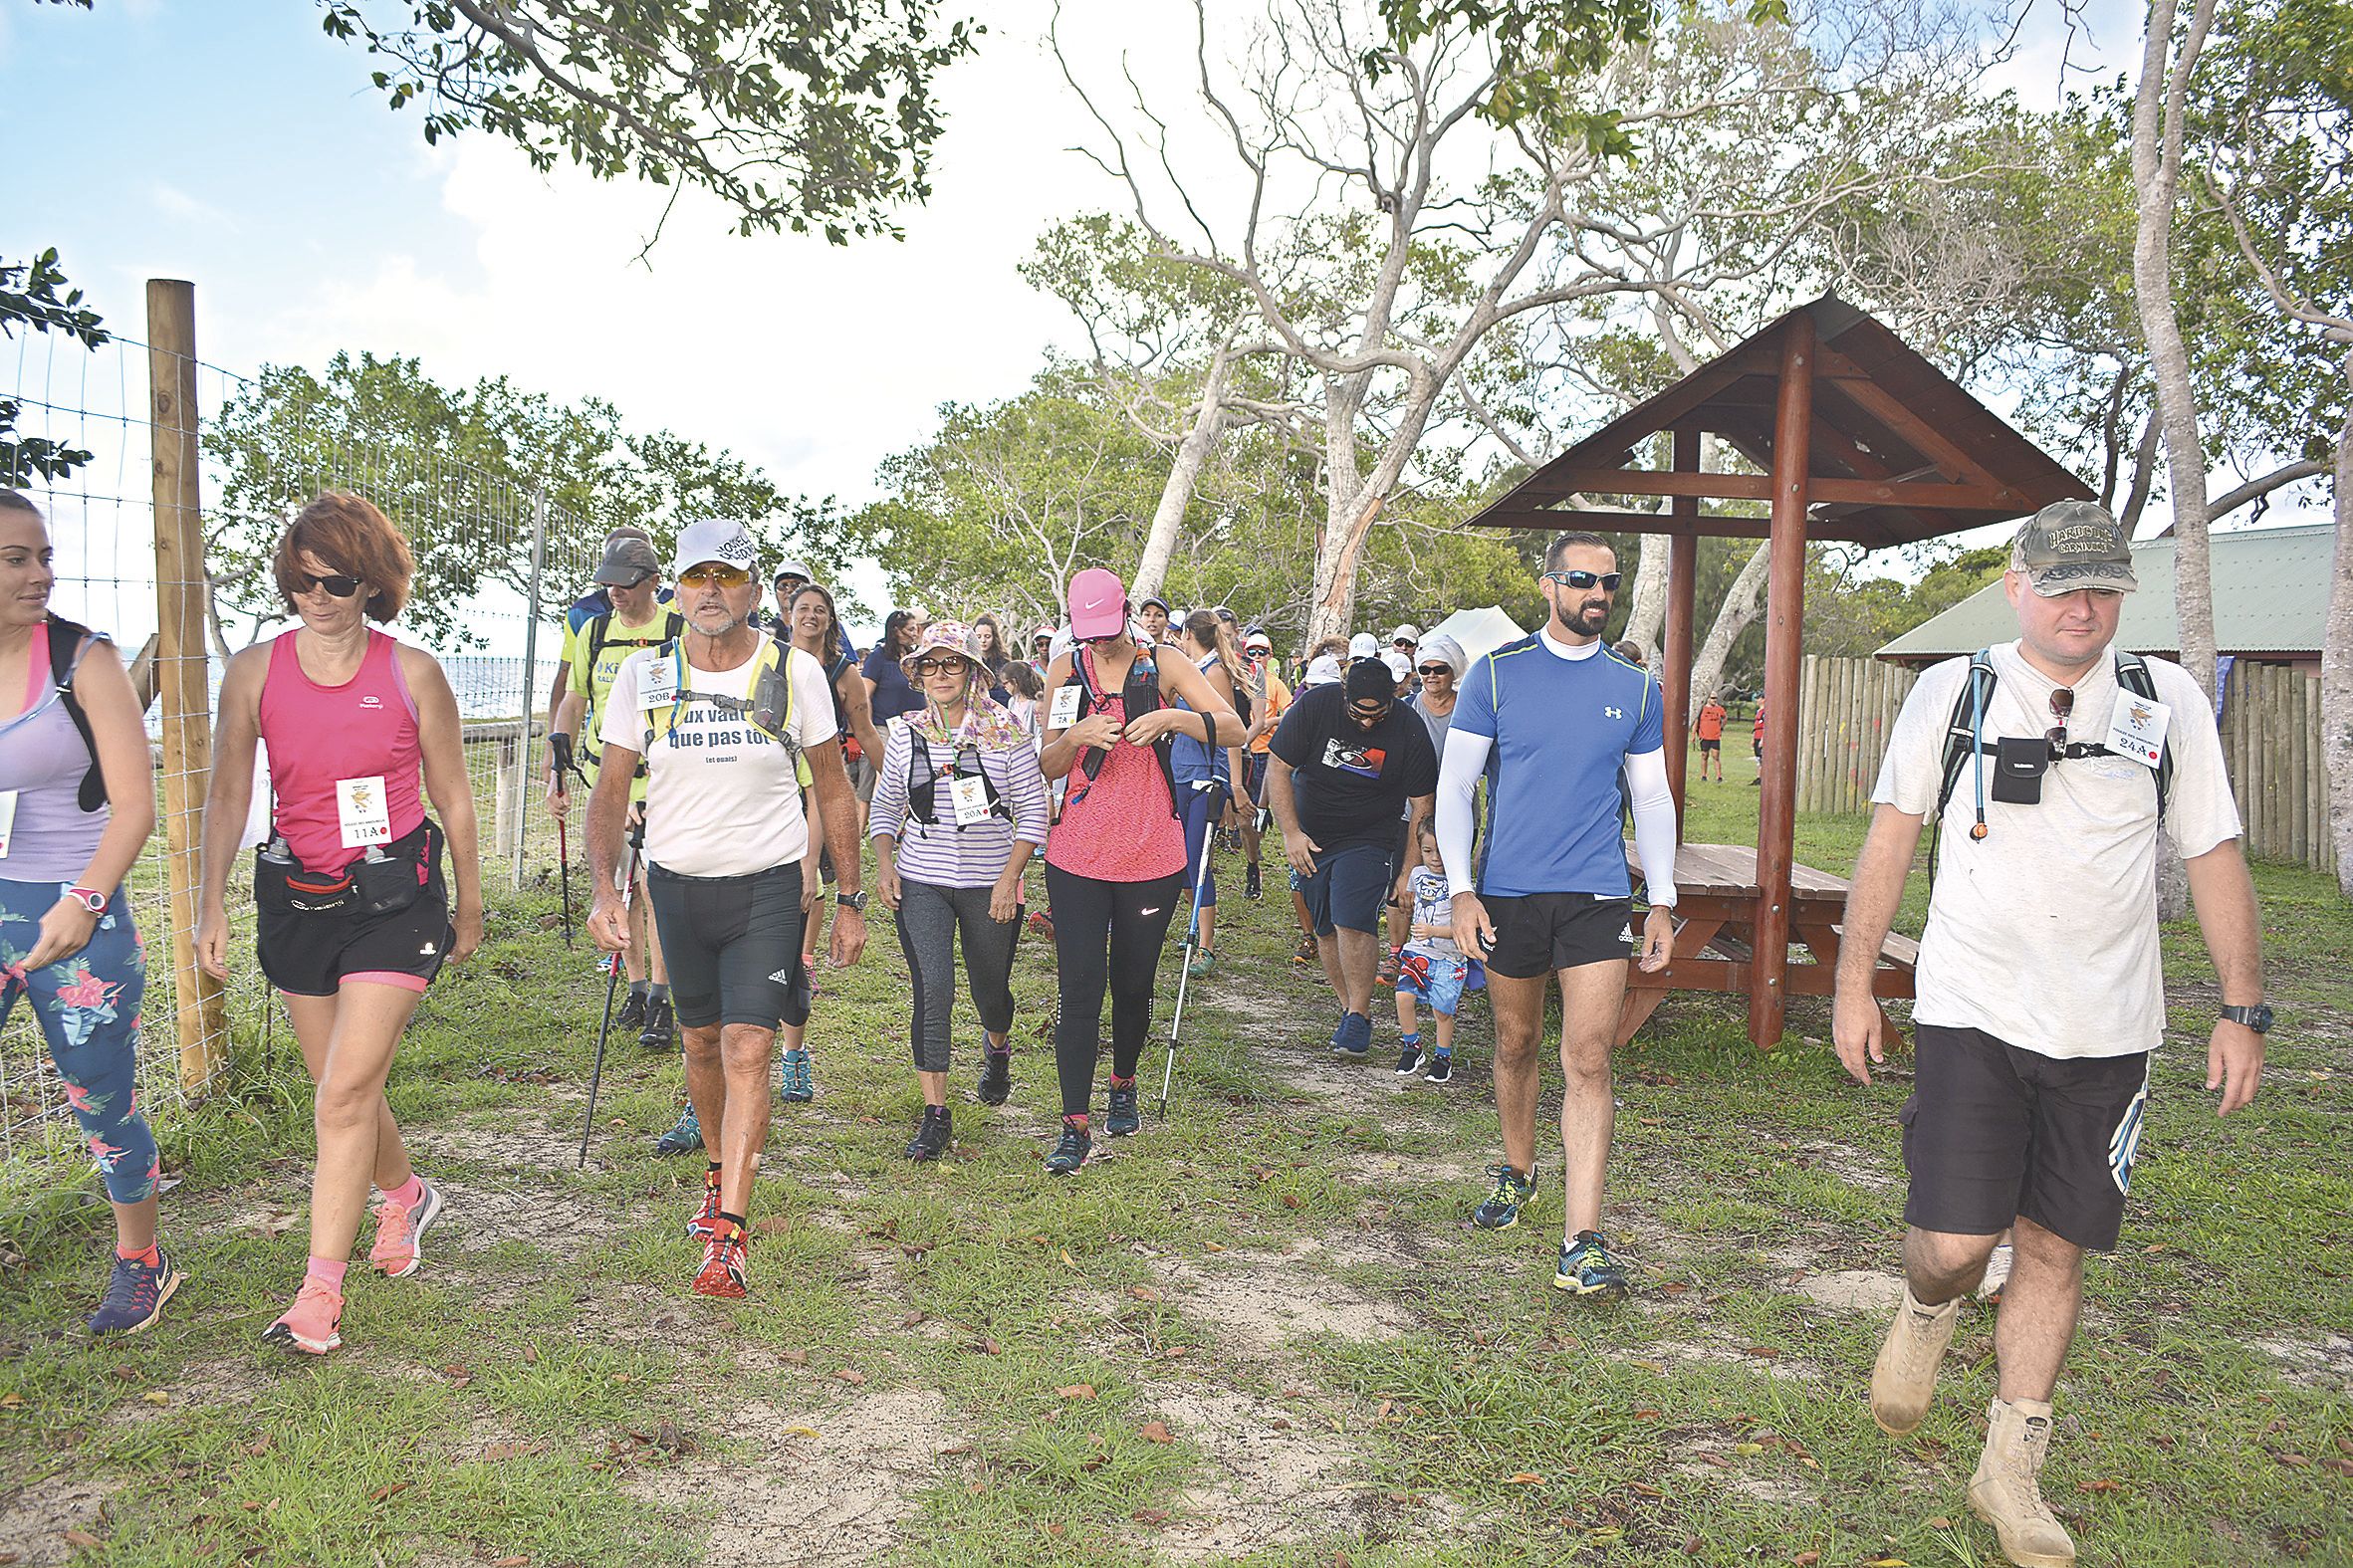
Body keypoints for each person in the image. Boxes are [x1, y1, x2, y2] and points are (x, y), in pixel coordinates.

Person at [1830, 502, 2260, 1568]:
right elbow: (1890, 839)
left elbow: (2210, 853)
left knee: (2054, 1247)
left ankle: (2009, 1469)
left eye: (2102, 587)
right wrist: (1852, 982)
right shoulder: (1953, 691)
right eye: (2062, 585)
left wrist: (2239, 1006)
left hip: (2108, 1031)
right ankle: (1926, 1305)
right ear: (2015, 586)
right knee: (1954, 1245)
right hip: (1971, 1013)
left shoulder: (2164, 702)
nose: (2082, 606)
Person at [198, 492, 485, 1354]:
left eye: (335, 581)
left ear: (373, 584)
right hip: (298, 898)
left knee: (345, 1093)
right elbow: (228, 792)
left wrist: (470, 902)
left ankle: (319, 1293)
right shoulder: (254, 672)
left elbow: (454, 795)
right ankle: (406, 1195)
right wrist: (209, 901)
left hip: (395, 901)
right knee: (341, 1087)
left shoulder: (412, 673)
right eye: (300, 581)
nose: (316, 597)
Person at [587, 519, 867, 1299]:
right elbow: (610, 789)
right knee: (701, 1043)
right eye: (696, 577)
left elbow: (833, 789)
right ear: (675, 590)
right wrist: (606, 889)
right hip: (676, 887)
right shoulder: (643, 675)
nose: (710, 591)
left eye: (728, 577)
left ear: (752, 590)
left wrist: (849, 897)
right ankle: (716, 1173)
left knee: (748, 1047)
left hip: (767, 886)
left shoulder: (793, 671)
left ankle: (730, 1236)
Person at [1436, 532, 1678, 1301]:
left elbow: (1652, 797)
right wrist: (1462, 889)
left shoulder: (1635, 687)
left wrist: (1662, 898)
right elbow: (1455, 787)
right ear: (1548, 586)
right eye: (1581, 580)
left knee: (1589, 1057)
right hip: (1508, 892)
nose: (1596, 594)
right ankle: (1517, 1169)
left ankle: (1581, 1241)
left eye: (1608, 581)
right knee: (1515, 1041)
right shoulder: (1496, 676)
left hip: (1596, 894)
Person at [0, 491, 174, 1334]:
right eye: (16, 559)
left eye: (44, 556)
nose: (41, 573)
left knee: (102, 1098)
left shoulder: (82, 659)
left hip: (74, 911)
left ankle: (142, 1258)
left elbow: (135, 805)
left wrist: (85, 901)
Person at [1037, 568, 1241, 1175]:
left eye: (1107, 629)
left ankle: (1123, 1083)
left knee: (1132, 983)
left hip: (1152, 853)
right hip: (1077, 854)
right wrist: (1075, 735)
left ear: (1126, 611)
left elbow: (1234, 726)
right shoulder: (1065, 670)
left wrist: (1173, 720)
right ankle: (1074, 1124)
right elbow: (1048, 764)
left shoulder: (1165, 663)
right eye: (1088, 633)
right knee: (1079, 989)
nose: (1100, 642)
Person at [869, 622, 1050, 1158]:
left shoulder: (1006, 731)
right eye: (929, 664)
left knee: (989, 988)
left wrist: (1009, 880)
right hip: (921, 879)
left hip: (989, 883)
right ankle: (936, 1113)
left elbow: (1033, 811)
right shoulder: (906, 733)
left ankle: (997, 1046)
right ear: (917, 674)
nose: (940, 674)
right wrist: (885, 864)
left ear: (972, 670)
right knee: (934, 989)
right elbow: (885, 806)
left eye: (951, 663)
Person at [1267, 659, 1438, 1059]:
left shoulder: (1408, 728)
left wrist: (1409, 869)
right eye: (1358, 714)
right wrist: (1291, 834)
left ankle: (1359, 1016)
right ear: (1345, 696)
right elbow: (1278, 768)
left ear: (1393, 699)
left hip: (1370, 837)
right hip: (1313, 837)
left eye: (1376, 715)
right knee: (1325, 925)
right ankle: (1349, 1010)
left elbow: (1422, 804)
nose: (1366, 723)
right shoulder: (1315, 707)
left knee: (1352, 917)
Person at [549, 536, 680, 1053]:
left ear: (653, 582)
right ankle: (637, 987)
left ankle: (663, 999)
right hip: (608, 778)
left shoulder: (676, 629)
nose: (615, 593)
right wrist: (558, 756)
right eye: (608, 584)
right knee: (622, 890)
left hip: (663, 781)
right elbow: (576, 696)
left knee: (655, 889)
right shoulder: (596, 630)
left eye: (626, 584)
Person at [775, 580, 886, 1105]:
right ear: (788, 614)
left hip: (822, 780)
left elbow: (866, 733)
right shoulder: (766, 662)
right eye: (803, 608)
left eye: (821, 610)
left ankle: (795, 1047)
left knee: (809, 887)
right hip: (771, 790)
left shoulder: (842, 671)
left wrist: (900, 789)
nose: (811, 616)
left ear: (831, 619)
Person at [1167, 609, 1247, 981]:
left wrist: (1232, 784)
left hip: (1203, 778)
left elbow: (1230, 732)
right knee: (1180, 860)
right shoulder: (1188, 670)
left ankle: (1206, 946)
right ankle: (1194, 927)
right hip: (1178, 773)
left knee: (1198, 861)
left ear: (1187, 634)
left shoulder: (1214, 672)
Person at [1393, 856, 1481, 1084]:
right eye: (1427, 850)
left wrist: (1433, 931)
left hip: (1449, 958)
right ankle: (1411, 1046)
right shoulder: (1417, 874)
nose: (1434, 857)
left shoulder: (1462, 885)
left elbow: (1467, 927)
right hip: (1418, 951)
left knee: (1442, 1011)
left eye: (1441, 851)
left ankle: (1442, 1057)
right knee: (1403, 996)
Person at [1237, 628, 1291, 903]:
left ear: (1270, 656)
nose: (1257, 656)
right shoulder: (1237, 679)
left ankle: (1254, 862)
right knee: (1242, 817)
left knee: (1255, 811)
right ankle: (1250, 859)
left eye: (1262, 652)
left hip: (1264, 752)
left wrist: (1269, 723)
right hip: (1238, 752)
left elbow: (1291, 711)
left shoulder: (1275, 684)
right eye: (1252, 652)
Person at [1695, 692, 1728, 783]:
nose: (1714, 700)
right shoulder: (1702, 709)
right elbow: (1697, 721)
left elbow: (1725, 717)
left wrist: (1721, 727)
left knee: (1716, 756)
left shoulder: (1719, 709)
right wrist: (1694, 734)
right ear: (1708, 698)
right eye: (1712, 698)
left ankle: (1719, 776)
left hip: (1715, 736)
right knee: (1704, 755)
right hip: (1704, 736)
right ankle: (1703, 775)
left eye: (1715, 698)